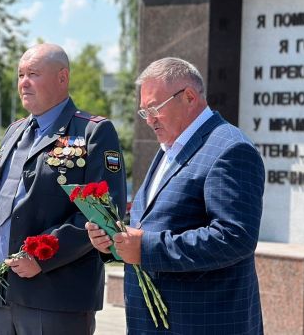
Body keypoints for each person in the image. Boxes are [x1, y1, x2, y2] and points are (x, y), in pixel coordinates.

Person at [86, 57, 265, 334]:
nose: (150, 120)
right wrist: (113, 240)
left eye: (154, 108)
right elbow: (157, 219)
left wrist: (145, 248)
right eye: (144, 112)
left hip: (201, 322)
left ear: (189, 97)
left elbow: (234, 238)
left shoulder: (229, 148)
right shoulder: (170, 146)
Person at [0, 43, 126, 335]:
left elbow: (103, 214)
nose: (23, 82)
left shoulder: (93, 132)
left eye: (33, 74)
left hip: (55, 297)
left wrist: (43, 255)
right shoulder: (14, 131)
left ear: (62, 78)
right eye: (20, 75)